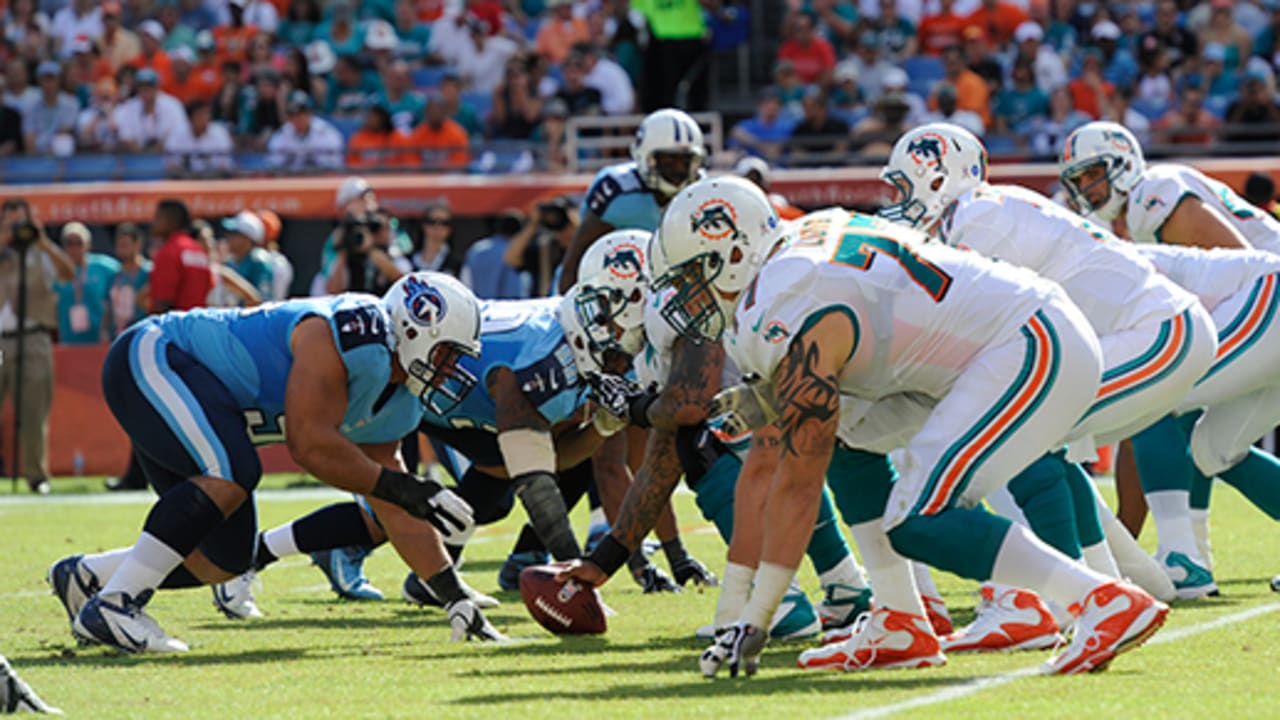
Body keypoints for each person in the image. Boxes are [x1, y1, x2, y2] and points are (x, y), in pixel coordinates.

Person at [607, 177, 1167, 677]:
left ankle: (1098, 599)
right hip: (1004, 343)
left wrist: (753, 618)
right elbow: (814, 405)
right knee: (853, 435)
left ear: (729, 255)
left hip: (1025, 345)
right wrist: (771, 396)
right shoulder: (801, 251)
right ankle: (901, 618)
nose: (688, 298)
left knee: (918, 518)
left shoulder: (779, 302)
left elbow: (799, 482)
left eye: (691, 278)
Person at [48, 272, 503, 652]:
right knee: (232, 474)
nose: (449, 371)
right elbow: (309, 445)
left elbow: (395, 511)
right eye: (447, 353)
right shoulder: (354, 331)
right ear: (412, 328)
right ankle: (115, 604)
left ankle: (87, 576)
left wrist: (455, 598)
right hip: (156, 354)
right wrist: (401, 487)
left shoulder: (400, 402)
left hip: (193, 394)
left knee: (226, 559)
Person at [881, 123, 1213, 616]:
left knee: (1025, 429)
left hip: (1154, 331)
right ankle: (1121, 585)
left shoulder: (974, 219)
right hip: (1151, 330)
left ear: (937, 175)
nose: (896, 199)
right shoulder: (987, 208)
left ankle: (1071, 598)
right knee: (1042, 440)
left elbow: (984, 330)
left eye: (905, 185)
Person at [1060, 121, 1280, 593]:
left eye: (1091, 173)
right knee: (1215, 449)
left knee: (1158, 388)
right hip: (1265, 311)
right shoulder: (1127, 225)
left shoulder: (1153, 192)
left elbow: (1243, 265)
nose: (1085, 188)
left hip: (1270, 296)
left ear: (1122, 163)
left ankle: (1183, 555)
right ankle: (1185, 553)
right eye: (1076, 182)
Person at [0, 199, 76, 494]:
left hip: (34, 335)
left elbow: (68, 273)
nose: (18, 229)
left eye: (22, 223)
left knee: (34, 409)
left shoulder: (41, 253)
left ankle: (36, 475)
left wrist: (42, 241)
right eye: (11, 222)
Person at [54, 222, 121, 345]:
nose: (74, 248)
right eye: (70, 243)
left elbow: (127, 272)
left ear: (88, 245)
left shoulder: (103, 266)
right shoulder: (56, 270)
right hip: (68, 337)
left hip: (98, 336)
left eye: (79, 243)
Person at [501, 196, 579, 297]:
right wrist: (533, 223)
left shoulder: (583, 247)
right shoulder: (544, 248)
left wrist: (578, 225)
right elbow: (510, 258)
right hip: (546, 306)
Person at [148, 199, 211, 313]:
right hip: (198, 323)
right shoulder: (198, 250)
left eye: (158, 217)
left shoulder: (169, 251)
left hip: (175, 326)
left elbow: (164, 301)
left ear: (172, 220)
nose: (154, 222)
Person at [113, 68, 190, 152]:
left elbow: (180, 133)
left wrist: (160, 146)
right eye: (142, 87)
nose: (146, 90)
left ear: (157, 87)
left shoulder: (173, 105)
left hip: (167, 155)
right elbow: (125, 137)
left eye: (149, 86)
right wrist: (141, 151)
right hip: (136, 157)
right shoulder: (129, 107)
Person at [460, 211, 531, 300]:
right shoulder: (519, 252)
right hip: (513, 309)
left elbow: (465, 281)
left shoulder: (477, 249)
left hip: (482, 307)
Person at [267, 90, 343, 170]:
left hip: (320, 178)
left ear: (309, 113)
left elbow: (335, 163)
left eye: (302, 113)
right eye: (293, 114)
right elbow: (274, 164)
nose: (298, 118)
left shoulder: (327, 133)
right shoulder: (282, 134)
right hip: (292, 179)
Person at [163, 99, 234, 176]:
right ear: (190, 119)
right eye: (200, 115)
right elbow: (171, 165)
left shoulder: (220, 132)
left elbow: (225, 166)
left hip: (213, 180)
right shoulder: (177, 133)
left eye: (207, 114)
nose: (205, 118)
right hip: (185, 180)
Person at [107, 223, 151, 339]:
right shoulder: (114, 276)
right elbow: (107, 306)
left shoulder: (150, 273)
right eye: (119, 245)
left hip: (143, 333)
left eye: (125, 245)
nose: (121, 249)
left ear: (137, 245)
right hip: (118, 336)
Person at [220, 211, 274, 304]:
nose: (228, 237)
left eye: (234, 234)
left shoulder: (258, 261)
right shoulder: (231, 262)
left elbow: (260, 300)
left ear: (247, 238)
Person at [411, 201, 463, 277]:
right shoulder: (409, 260)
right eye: (432, 222)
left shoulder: (457, 263)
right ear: (423, 225)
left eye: (444, 223)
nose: (438, 227)